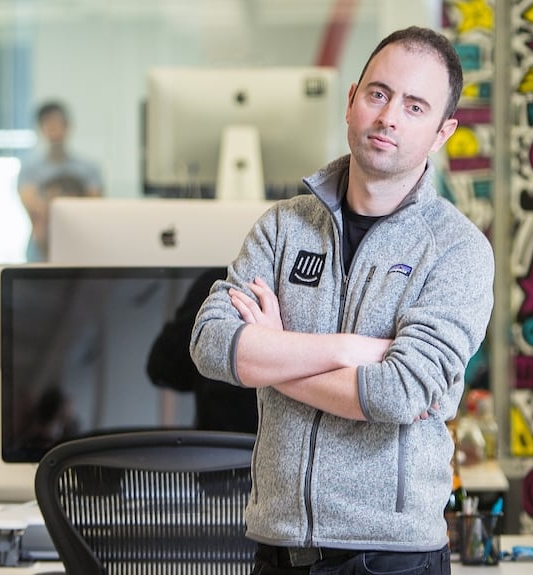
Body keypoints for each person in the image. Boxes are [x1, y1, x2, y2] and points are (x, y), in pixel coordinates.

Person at [190, 26, 494, 573]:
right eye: (378, 94)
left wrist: (271, 356)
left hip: (391, 556)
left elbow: (399, 392)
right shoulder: (283, 228)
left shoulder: (457, 251)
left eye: (415, 106)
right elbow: (212, 345)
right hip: (277, 549)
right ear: (351, 99)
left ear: (443, 130)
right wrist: (354, 349)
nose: (389, 117)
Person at [146, 267, 258, 434]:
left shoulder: (218, 284)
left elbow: (162, 369)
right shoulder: (296, 293)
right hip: (269, 449)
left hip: (210, 448)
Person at [17, 100, 104, 262]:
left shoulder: (89, 168)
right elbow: (34, 209)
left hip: (82, 246)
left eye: (57, 123)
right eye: (48, 123)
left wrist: (52, 203)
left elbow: (94, 209)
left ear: (68, 126)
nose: (53, 129)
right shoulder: (29, 169)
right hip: (40, 252)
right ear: (40, 128)